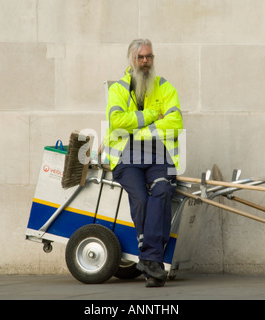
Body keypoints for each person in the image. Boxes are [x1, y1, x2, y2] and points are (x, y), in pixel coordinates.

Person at [104, 39, 184, 287]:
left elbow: (175, 121)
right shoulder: (117, 89)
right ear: (132, 60)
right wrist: (151, 116)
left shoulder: (164, 86)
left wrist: (139, 129)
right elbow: (117, 121)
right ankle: (154, 263)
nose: (146, 61)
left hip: (158, 155)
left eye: (149, 57)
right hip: (126, 157)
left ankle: (150, 261)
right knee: (140, 198)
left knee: (162, 191)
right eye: (141, 57)